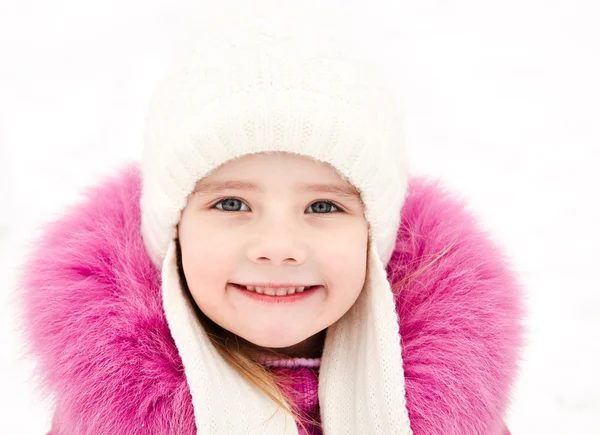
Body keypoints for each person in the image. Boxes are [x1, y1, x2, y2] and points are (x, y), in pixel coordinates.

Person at [14, 4, 525, 434]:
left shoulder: (461, 409)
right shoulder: (103, 413)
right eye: (231, 204)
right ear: (172, 229)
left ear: (375, 232)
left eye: (323, 206)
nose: (279, 246)